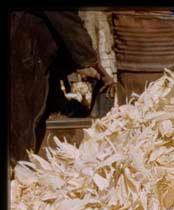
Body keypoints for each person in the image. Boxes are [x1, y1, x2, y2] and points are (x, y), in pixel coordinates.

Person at [9, 10, 116, 169]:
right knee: (23, 111)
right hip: (27, 48)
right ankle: (20, 166)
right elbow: (73, 30)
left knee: (33, 103)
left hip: (37, 48)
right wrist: (101, 71)